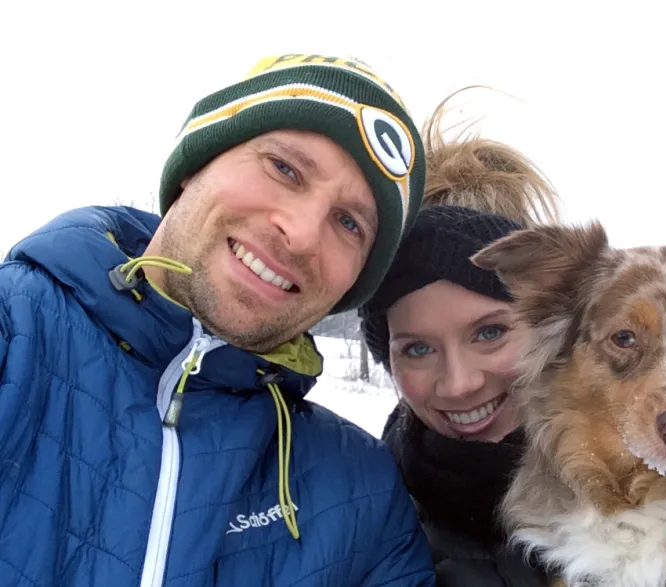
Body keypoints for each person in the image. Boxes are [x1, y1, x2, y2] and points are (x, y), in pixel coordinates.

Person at [0, 53, 437, 586]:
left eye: (348, 223)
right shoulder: (15, 332)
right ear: (194, 166)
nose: (301, 233)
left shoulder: (363, 496)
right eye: (284, 168)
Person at [359, 90, 563, 587]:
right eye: (418, 348)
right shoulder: (361, 519)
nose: (458, 385)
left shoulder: (664, 481)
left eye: (490, 332)